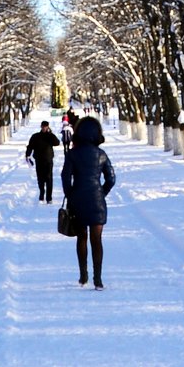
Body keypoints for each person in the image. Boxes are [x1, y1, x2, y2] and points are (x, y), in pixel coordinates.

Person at [61, 116, 116, 290]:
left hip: (77, 199)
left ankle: (83, 276)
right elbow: (111, 178)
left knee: (81, 238)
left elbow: (65, 176)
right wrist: (102, 192)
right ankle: (98, 280)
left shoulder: (72, 154)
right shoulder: (101, 155)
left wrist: (70, 194)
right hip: (97, 200)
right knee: (97, 240)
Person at [25, 121, 61, 203]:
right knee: (40, 178)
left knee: (49, 178)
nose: (44, 128)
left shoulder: (50, 136)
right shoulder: (36, 136)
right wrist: (27, 155)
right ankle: (41, 193)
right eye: (43, 126)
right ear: (41, 127)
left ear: (48, 127)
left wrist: (51, 134)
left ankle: (49, 198)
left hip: (48, 160)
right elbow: (30, 146)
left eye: (46, 127)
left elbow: (57, 143)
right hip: (39, 160)